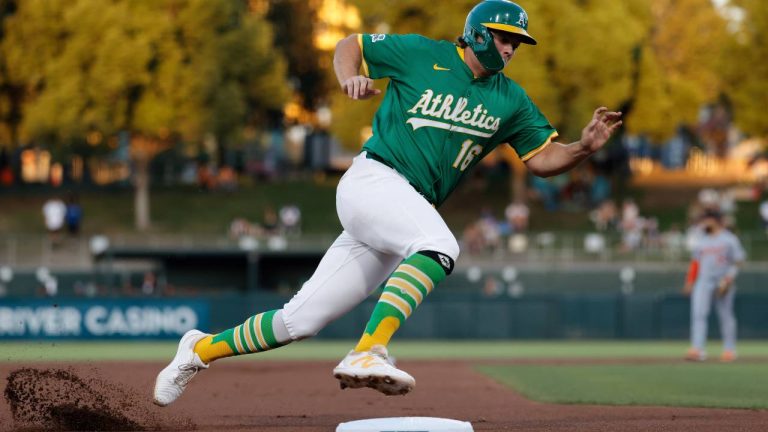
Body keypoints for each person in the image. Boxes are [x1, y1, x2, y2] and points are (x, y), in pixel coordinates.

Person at [152, 0, 622, 406]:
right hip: (373, 180)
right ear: (478, 32)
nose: (511, 48)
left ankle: (197, 351)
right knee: (439, 245)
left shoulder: (511, 100)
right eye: (504, 38)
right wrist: (349, 77)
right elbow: (350, 44)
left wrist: (582, 148)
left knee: (298, 321)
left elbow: (540, 160)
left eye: (517, 42)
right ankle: (368, 349)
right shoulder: (423, 53)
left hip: (400, 209)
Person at [683, 209, 746, 362]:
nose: (704, 222)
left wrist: (728, 279)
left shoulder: (729, 239)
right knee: (698, 314)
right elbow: (696, 262)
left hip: (722, 281)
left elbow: (738, 261)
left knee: (726, 316)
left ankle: (729, 350)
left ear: (716, 220)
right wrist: (690, 281)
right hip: (703, 281)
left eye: (707, 219)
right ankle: (698, 349)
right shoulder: (701, 240)